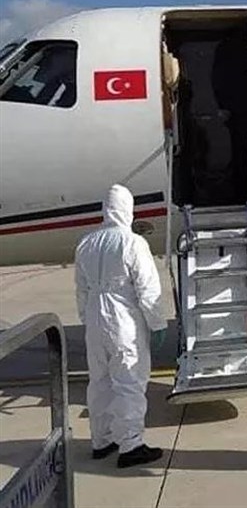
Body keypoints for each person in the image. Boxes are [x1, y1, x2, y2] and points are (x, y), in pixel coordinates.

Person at [74, 184, 167, 469]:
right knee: (129, 381)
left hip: (94, 319)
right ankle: (131, 445)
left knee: (99, 381)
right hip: (123, 319)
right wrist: (157, 323)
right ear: (128, 209)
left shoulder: (86, 243)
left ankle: (101, 441)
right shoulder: (132, 242)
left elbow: (81, 290)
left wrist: (87, 320)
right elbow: (147, 289)